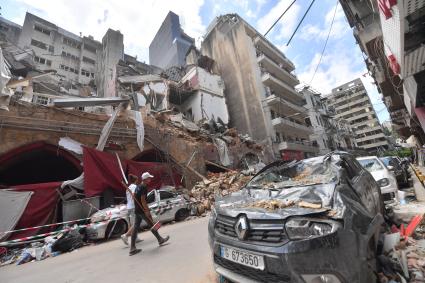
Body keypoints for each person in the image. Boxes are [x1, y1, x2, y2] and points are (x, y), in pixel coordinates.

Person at [129, 172, 170, 256]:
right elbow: (143, 200)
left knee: (136, 227)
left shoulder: (138, 187)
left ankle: (132, 248)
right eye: (149, 178)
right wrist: (147, 211)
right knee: (152, 224)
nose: (150, 180)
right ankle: (160, 240)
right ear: (146, 179)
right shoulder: (143, 187)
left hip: (137, 210)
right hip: (142, 210)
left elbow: (134, 197)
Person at [120, 174, 142, 246]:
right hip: (133, 206)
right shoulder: (134, 186)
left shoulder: (128, 187)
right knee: (136, 223)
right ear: (136, 180)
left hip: (129, 206)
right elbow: (133, 195)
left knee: (134, 223)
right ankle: (125, 235)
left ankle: (136, 237)